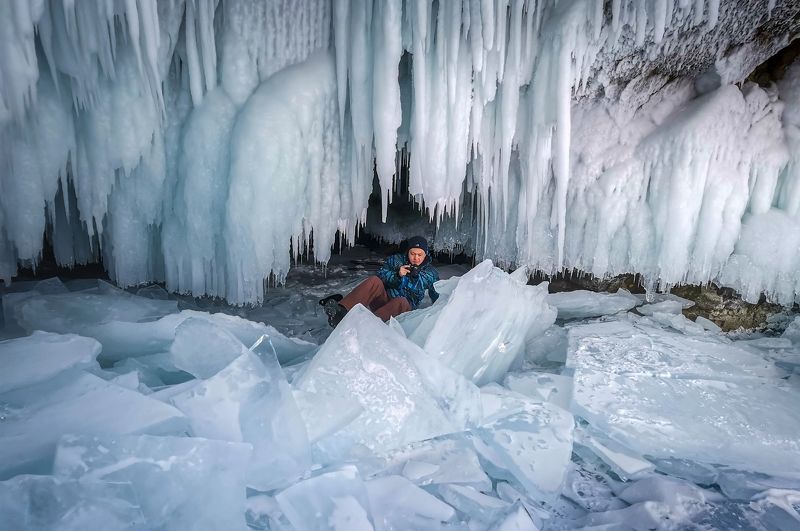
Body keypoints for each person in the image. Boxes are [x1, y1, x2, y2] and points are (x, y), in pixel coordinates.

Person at [321, 236, 440, 327]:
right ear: (408, 252)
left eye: (420, 255)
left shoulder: (430, 273)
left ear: (425, 254)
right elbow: (381, 275)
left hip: (404, 310)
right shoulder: (396, 260)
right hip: (385, 301)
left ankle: (366, 327)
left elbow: (438, 295)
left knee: (401, 301)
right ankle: (340, 312)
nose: (416, 258)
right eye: (412, 254)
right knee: (374, 281)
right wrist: (397, 275)